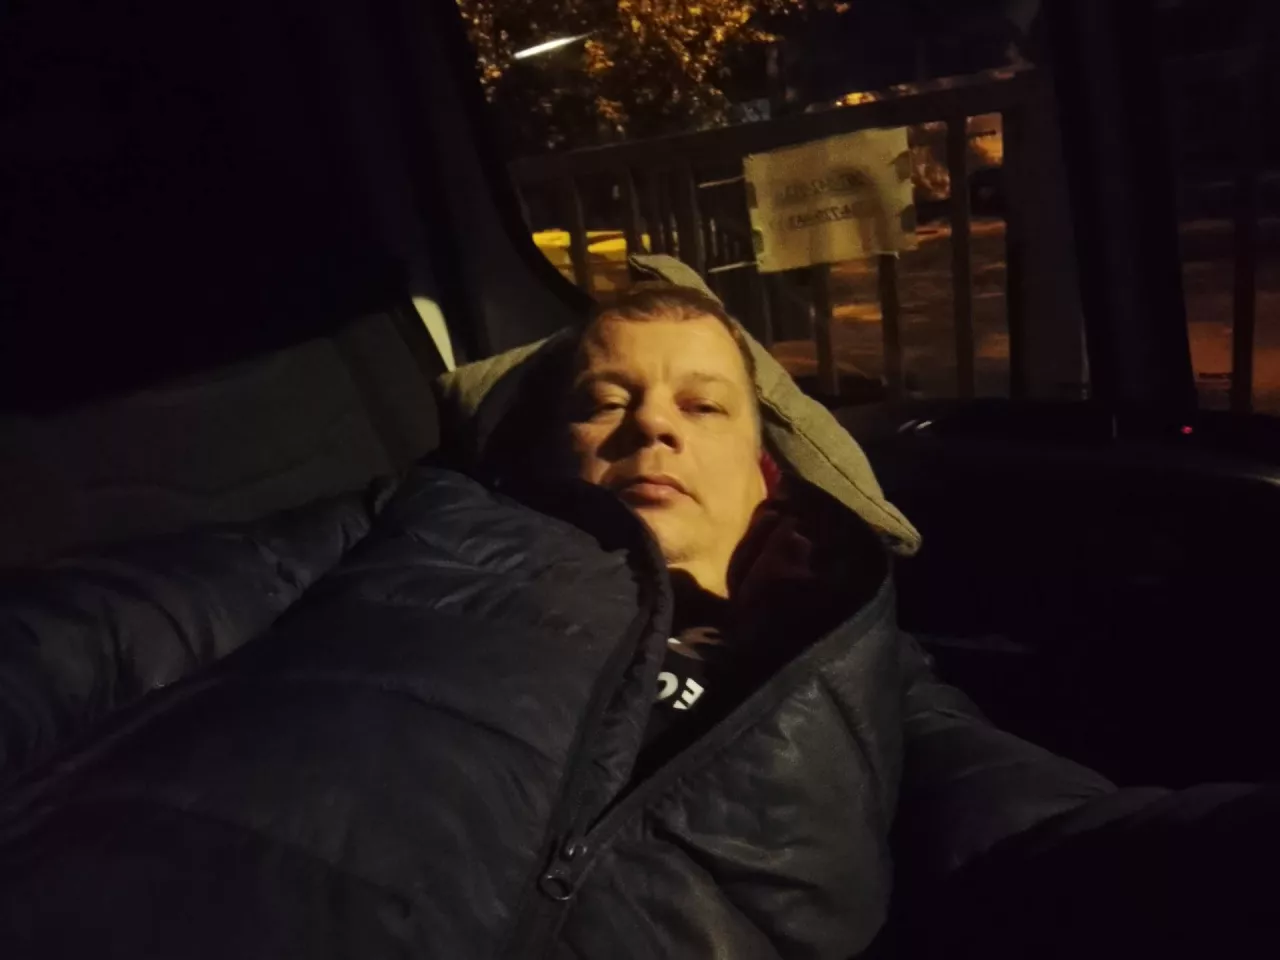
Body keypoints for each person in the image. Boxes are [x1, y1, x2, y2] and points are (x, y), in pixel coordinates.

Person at [0, 273, 1275, 959]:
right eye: (602, 399)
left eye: (701, 404)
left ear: (766, 476)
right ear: (543, 452)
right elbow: (96, 631)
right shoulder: (421, 518)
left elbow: (1050, 838)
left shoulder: (852, 659)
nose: (651, 423)